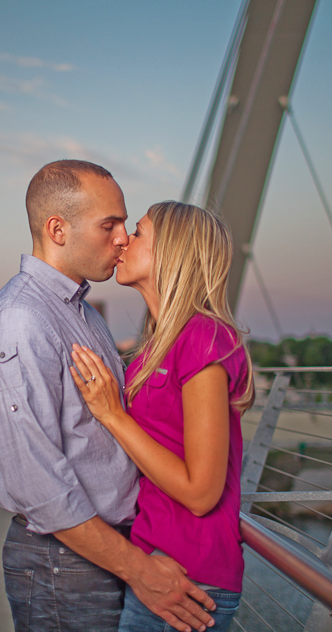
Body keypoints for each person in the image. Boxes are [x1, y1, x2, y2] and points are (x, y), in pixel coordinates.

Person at [0, 161, 217, 632]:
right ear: (57, 229)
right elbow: (36, 484)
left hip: (101, 551)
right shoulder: (21, 320)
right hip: (64, 561)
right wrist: (141, 571)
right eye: (110, 224)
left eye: (126, 224)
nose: (123, 237)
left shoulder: (81, 313)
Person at [69, 201, 254, 632]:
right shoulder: (154, 351)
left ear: (171, 252)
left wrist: (114, 415)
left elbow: (201, 492)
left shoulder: (204, 338)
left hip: (191, 577)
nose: (123, 240)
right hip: (158, 563)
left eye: (138, 232)